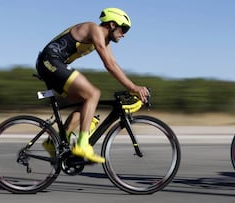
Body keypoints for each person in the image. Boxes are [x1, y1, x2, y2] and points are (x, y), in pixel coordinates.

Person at [36, 8, 150, 163]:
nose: (124, 34)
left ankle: (53, 143)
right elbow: (109, 65)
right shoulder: (93, 29)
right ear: (112, 24)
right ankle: (82, 144)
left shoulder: (104, 40)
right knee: (93, 94)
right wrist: (133, 88)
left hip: (53, 64)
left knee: (85, 101)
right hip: (50, 61)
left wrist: (133, 86)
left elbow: (114, 64)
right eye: (123, 29)